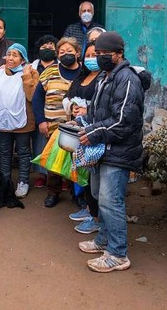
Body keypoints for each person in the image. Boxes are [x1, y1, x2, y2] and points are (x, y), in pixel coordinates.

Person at [74, 31, 148, 273]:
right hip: (103, 148)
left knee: (110, 201)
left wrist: (94, 132)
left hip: (119, 151)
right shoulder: (106, 76)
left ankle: (117, 254)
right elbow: (101, 113)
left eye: (106, 54)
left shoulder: (126, 79)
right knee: (98, 195)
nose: (101, 58)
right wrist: (86, 119)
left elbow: (124, 121)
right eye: (98, 54)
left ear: (119, 54)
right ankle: (103, 240)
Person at [31, 37, 81, 208]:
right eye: (62, 52)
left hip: (79, 127)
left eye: (69, 51)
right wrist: (41, 121)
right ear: (57, 54)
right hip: (53, 125)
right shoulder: (50, 71)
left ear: (77, 52)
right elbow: (37, 98)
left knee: (77, 161)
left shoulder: (85, 72)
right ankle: (53, 192)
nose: (66, 54)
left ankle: (77, 194)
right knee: (54, 161)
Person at [64, 41, 103, 234]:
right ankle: (89, 209)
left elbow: (104, 105)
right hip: (80, 130)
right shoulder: (83, 76)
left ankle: (97, 218)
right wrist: (71, 107)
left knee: (96, 175)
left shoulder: (105, 77)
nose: (90, 59)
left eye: (94, 55)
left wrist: (88, 111)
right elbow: (68, 96)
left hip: (95, 131)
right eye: (87, 55)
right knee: (86, 173)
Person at [0, 43, 36, 198]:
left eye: (15, 55)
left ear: (23, 59)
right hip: (2, 121)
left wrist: (26, 75)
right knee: (4, 153)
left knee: (23, 153)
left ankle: (23, 182)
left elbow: (31, 95)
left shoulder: (31, 72)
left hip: (23, 121)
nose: (10, 58)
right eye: (8, 54)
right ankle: (5, 182)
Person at [29, 34, 59, 188]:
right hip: (37, 111)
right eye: (44, 46)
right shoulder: (32, 67)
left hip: (57, 113)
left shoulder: (61, 66)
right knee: (40, 144)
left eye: (51, 46)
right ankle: (41, 175)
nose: (47, 49)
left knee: (57, 146)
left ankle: (60, 178)